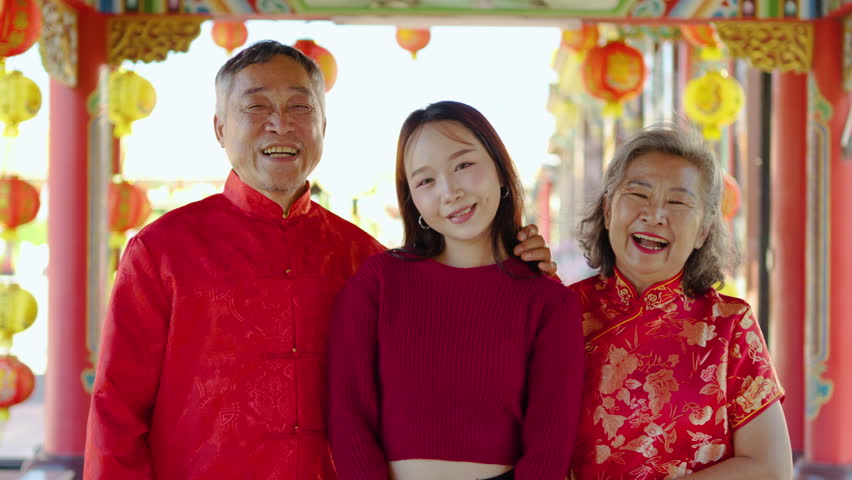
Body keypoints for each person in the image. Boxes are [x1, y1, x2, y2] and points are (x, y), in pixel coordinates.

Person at [83, 42, 555, 479]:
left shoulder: (365, 259)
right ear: (220, 129)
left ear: (323, 127)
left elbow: (456, 349)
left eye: (300, 107)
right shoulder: (162, 251)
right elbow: (116, 412)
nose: (280, 123)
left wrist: (513, 261)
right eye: (255, 107)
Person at [327, 100, 585, 480]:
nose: (449, 192)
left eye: (463, 165)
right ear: (412, 199)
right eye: (425, 181)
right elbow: (348, 417)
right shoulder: (377, 284)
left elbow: (549, 447)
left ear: (500, 171)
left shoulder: (549, 303)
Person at [568, 125, 793, 479]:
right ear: (608, 210)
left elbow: (771, 467)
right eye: (638, 194)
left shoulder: (729, 326)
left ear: (703, 230)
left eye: (677, 202)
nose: (654, 214)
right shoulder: (564, 311)